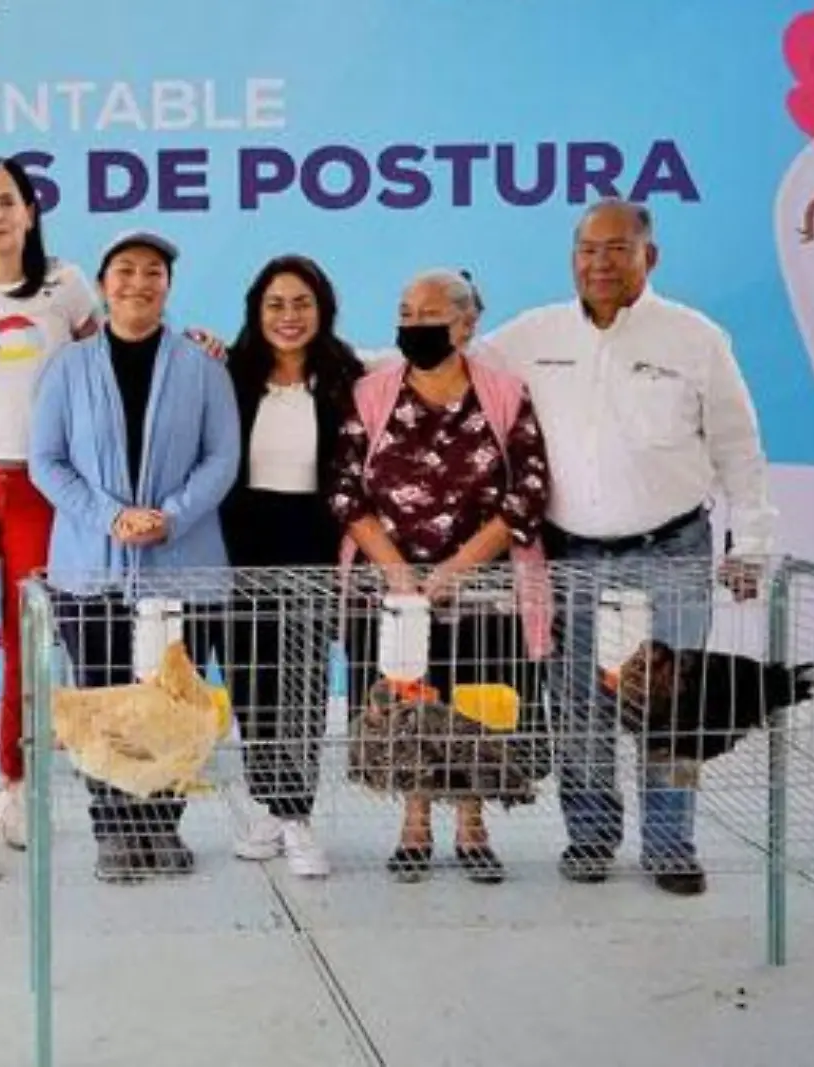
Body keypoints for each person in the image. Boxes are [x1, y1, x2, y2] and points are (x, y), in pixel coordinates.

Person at [483, 199, 777, 896]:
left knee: (672, 703)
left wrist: (754, 542)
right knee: (580, 702)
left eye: (617, 248)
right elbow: (446, 360)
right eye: (587, 249)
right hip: (573, 556)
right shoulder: (534, 334)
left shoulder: (696, 338)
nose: (600, 263)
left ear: (652, 256)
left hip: (671, 549)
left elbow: (740, 449)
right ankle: (590, 835)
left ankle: (671, 844)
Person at [28, 230, 240, 883]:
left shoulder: (202, 366)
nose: (138, 283)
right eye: (125, 270)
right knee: (104, 705)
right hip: (89, 568)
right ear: (102, 282)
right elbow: (47, 460)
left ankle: (161, 826)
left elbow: (222, 457)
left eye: (153, 272)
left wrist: (169, 516)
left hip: (185, 565)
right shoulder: (66, 366)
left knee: (174, 705)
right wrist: (112, 517)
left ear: (169, 286)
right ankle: (114, 831)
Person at [330, 267, 553, 885]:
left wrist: (455, 570)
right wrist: (400, 573)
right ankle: (415, 823)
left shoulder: (505, 393)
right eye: (405, 313)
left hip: (484, 591)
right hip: (394, 595)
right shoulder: (372, 392)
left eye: (428, 315)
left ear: (466, 323)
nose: (413, 325)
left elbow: (528, 492)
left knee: (473, 712)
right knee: (410, 709)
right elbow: (347, 492)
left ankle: (474, 826)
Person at [0, 156, 102, 881]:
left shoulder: (67, 288)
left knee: (29, 644)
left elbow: (111, 360)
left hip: (40, 488)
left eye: (8, 201)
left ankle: (17, 784)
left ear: (30, 212)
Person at [210, 255, 365, 878]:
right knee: (250, 682)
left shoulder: (346, 377)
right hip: (241, 541)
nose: (288, 316)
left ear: (322, 309)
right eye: (275, 304)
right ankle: (268, 802)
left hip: (312, 539)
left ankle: (298, 813)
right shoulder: (230, 374)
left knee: (301, 681)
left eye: (301, 303)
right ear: (256, 311)